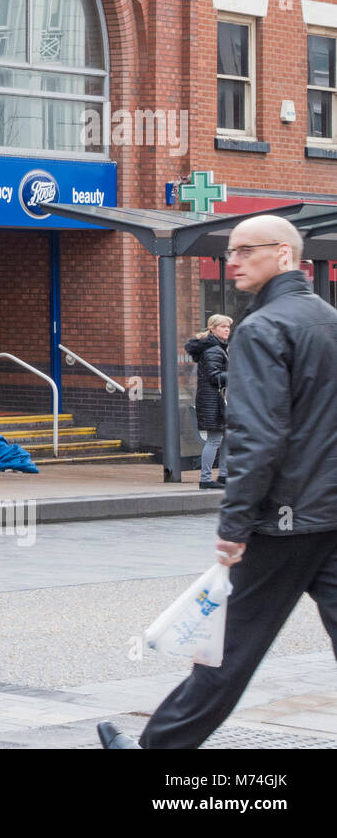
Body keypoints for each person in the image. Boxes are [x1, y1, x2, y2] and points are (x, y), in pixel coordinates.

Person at [99, 215, 337, 750]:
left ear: (282, 254)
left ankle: (157, 749)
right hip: (331, 514)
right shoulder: (328, 320)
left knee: (226, 651)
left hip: (283, 521)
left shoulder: (261, 329)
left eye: (244, 251)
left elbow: (258, 436)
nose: (231, 262)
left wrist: (234, 525)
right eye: (231, 252)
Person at [185, 315, 232, 490]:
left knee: (227, 438)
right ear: (212, 328)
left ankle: (225, 475)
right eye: (223, 326)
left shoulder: (218, 348)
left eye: (228, 327)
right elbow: (213, 377)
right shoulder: (213, 350)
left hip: (216, 400)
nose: (227, 329)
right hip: (213, 401)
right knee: (214, 439)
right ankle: (205, 479)